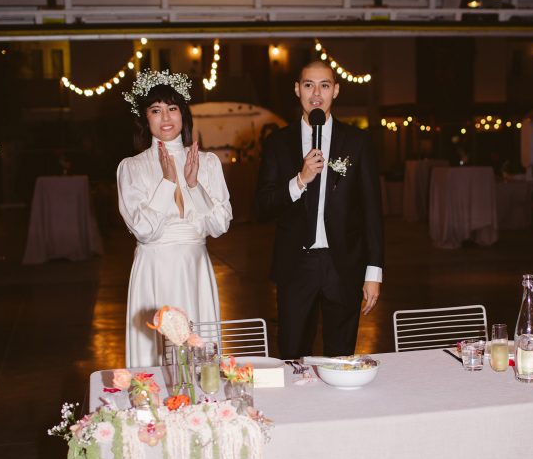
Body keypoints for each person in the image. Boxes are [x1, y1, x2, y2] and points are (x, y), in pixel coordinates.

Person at [255, 59, 383, 358]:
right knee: (292, 354)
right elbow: (262, 207)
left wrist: (374, 272)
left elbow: (372, 212)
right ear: (297, 89)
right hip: (296, 265)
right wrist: (299, 180)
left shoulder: (357, 142)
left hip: (344, 265)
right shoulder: (278, 143)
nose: (316, 93)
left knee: (341, 356)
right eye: (309, 85)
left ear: (335, 90)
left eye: (324, 85)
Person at [117, 69, 232, 366]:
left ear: (183, 113)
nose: (165, 117)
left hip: (195, 268)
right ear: (145, 118)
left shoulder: (206, 162)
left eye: (172, 108)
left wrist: (194, 186)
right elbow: (144, 230)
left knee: (200, 350)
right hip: (154, 269)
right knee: (155, 354)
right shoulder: (132, 167)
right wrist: (167, 183)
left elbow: (219, 225)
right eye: (156, 110)